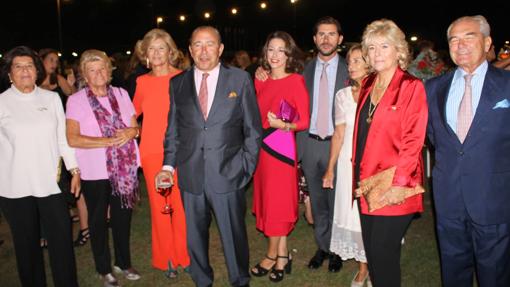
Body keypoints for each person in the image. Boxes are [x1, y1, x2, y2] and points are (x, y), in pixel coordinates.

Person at [156, 26, 262, 287]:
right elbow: (173, 130)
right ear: (190, 50)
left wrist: (245, 168)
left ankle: (240, 280)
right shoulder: (177, 83)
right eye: (198, 45)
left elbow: (253, 130)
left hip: (228, 173)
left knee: (233, 236)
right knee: (194, 238)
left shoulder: (239, 79)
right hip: (190, 175)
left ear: (220, 48)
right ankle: (202, 280)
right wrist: (168, 166)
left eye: (210, 44)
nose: (204, 51)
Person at [426, 15, 510, 287]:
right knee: (453, 273)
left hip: (494, 199)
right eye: (453, 39)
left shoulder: (507, 84)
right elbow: (432, 137)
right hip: (448, 197)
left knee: (495, 274)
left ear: (487, 42)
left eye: (469, 36)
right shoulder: (434, 88)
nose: (460, 44)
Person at [352, 19, 428, 287]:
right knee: (374, 254)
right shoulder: (369, 82)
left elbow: (413, 139)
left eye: (384, 46)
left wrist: (400, 184)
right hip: (366, 183)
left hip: (394, 183)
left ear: (399, 50)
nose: (377, 53)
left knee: (383, 253)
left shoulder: (410, 86)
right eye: (371, 47)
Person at [0, 46, 80, 287]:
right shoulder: (2, 102)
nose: (25, 71)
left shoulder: (51, 98)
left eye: (29, 66)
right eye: (18, 66)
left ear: (37, 71)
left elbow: (62, 138)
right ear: (9, 73)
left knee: (62, 241)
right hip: (14, 187)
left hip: (50, 184)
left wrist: (74, 170)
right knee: (26, 247)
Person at [66, 49, 141, 287]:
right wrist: (107, 141)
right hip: (94, 171)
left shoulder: (121, 94)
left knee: (122, 219)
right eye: (92, 70)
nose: (98, 73)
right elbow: (73, 138)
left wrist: (131, 131)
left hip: (124, 171)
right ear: (85, 76)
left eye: (102, 68)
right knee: (98, 221)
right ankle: (104, 267)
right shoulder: (76, 100)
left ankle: (122, 261)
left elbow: (134, 128)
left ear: (109, 71)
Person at [251, 31, 310, 283]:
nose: (275, 55)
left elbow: (304, 121)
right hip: (261, 148)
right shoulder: (259, 81)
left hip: (281, 148)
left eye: (281, 50)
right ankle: (282, 254)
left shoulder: (296, 80)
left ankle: (271, 254)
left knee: (279, 202)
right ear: (265, 53)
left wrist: (284, 126)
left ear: (289, 54)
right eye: (270, 50)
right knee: (269, 201)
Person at [132, 28, 190, 278]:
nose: (155, 53)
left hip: (181, 151)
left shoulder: (184, 78)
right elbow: (131, 114)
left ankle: (185, 256)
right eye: (151, 49)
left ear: (170, 51)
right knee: (160, 206)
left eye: (161, 48)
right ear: (145, 54)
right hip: (152, 152)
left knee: (181, 205)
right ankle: (166, 258)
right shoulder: (142, 82)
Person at [322, 43, 371, 287]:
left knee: (372, 216)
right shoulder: (342, 96)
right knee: (352, 216)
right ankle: (363, 268)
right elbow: (339, 134)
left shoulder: (379, 93)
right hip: (347, 163)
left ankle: (375, 264)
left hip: (373, 163)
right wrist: (330, 168)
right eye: (349, 61)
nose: (351, 66)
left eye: (357, 60)